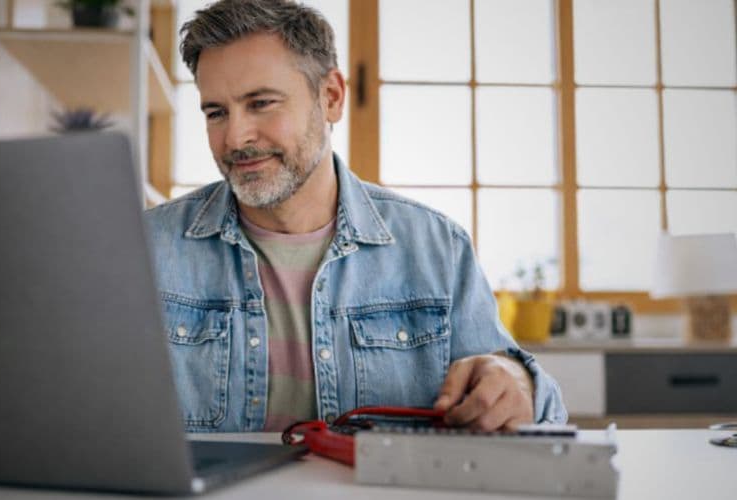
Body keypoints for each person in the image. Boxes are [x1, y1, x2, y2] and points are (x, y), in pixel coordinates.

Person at [145, 0, 567, 433]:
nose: (235, 137)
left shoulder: (438, 249)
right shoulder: (144, 248)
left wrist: (519, 383)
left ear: (331, 97)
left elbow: (536, 410)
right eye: (216, 112)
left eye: (262, 103)